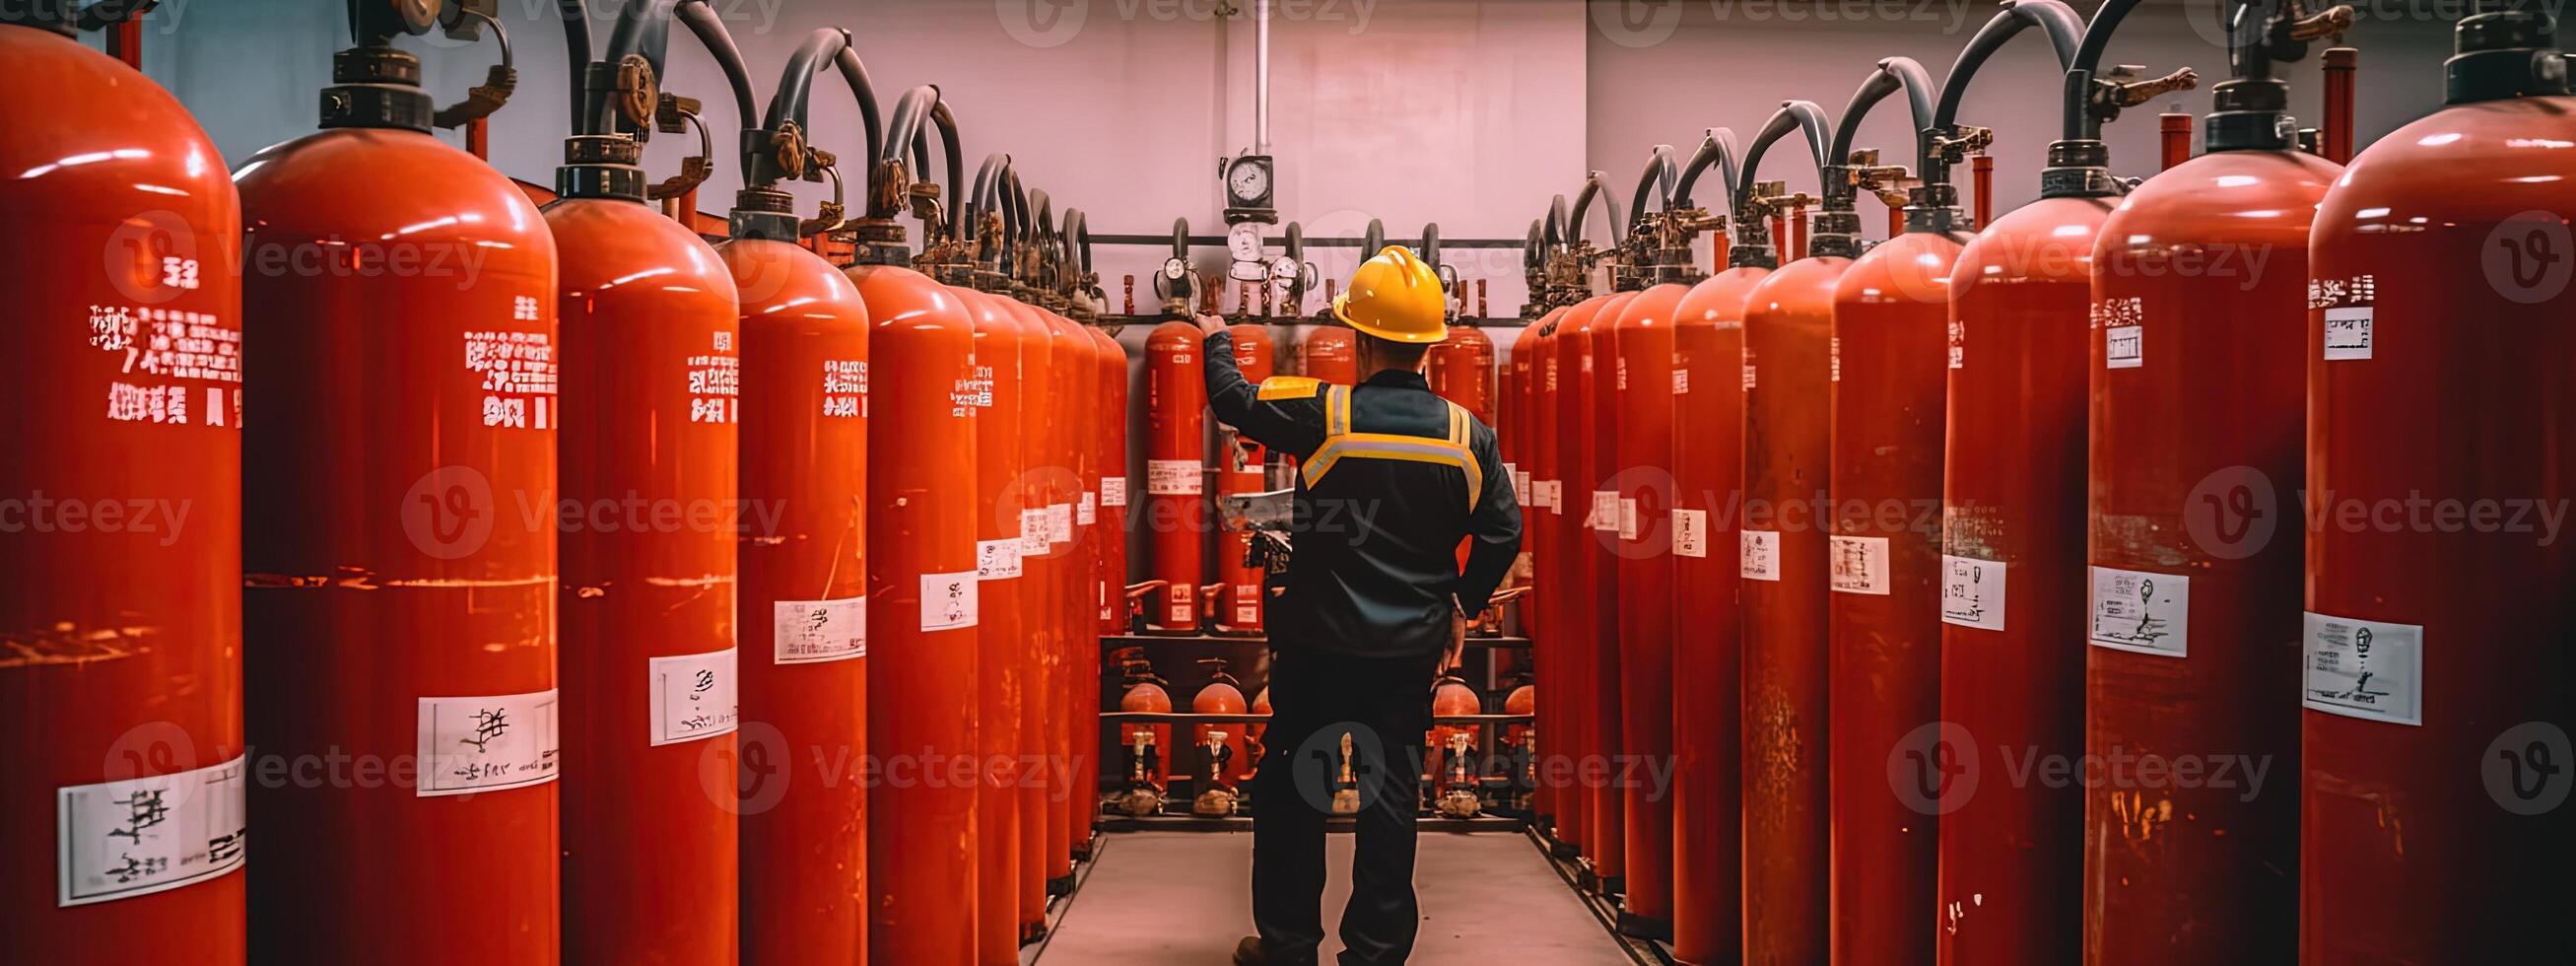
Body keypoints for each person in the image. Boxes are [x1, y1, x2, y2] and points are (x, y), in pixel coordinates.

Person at [1203, 244, 1522, 965]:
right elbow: (1504, 532)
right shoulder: (1468, 437)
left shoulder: (1326, 412)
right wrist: (1460, 604)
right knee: (1389, 800)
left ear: (1361, 338)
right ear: (1430, 347)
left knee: (1294, 794)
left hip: (1317, 648)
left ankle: (1288, 945)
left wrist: (1215, 332)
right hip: (1406, 658)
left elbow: (1233, 399)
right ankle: (1375, 952)